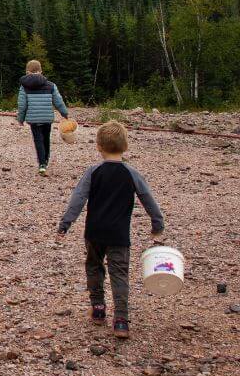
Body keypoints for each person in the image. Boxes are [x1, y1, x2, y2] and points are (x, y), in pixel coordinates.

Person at [57, 120, 165, 339]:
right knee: (119, 274)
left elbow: (77, 200)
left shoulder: (93, 172)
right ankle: (121, 320)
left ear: (98, 146)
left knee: (94, 268)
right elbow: (148, 200)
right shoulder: (131, 173)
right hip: (119, 235)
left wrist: (65, 224)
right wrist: (157, 224)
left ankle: (98, 308)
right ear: (125, 146)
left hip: (94, 232)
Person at [16, 60, 68, 175]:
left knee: (38, 140)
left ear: (27, 72)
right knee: (46, 139)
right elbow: (58, 102)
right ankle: (46, 161)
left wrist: (20, 119)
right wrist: (65, 114)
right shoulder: (51, 85)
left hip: (34, 120)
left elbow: (22, 105)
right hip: (47, 118)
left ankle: (42, 164)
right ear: (41, 71)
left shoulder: (24, 87)